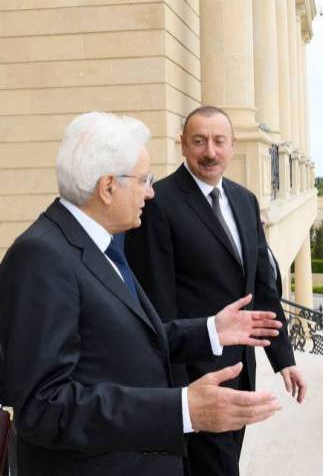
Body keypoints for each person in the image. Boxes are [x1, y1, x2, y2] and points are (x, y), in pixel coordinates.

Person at [0, 112, 285, 476]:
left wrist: (211, 329)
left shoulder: (102, 244)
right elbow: (43, 406)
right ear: (107, 188)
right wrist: (182, 408)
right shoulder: (40, 257)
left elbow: (127, 340)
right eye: (143, 180)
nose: (151, 192)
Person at [125, 105, 307, 475]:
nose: (210, 151)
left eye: (219, 141)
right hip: (195, 378)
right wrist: (176, 391)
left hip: (240, 370)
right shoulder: (159, 204)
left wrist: (283, 357)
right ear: (183, 145)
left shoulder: (245, 200)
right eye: (199, 141)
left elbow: (263, 289)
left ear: (232, 145)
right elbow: (157, 304)